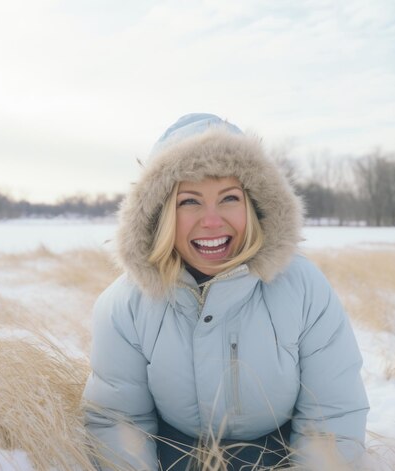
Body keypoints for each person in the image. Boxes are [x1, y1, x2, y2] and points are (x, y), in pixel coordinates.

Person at [83, 113, 369, 470]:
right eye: (189, 201)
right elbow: (118, 422)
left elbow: (333, 419)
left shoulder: (303, 289)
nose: (212, 221)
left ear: (254, 205)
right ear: (160, 214)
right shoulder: (126, 304)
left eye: (229, 198)